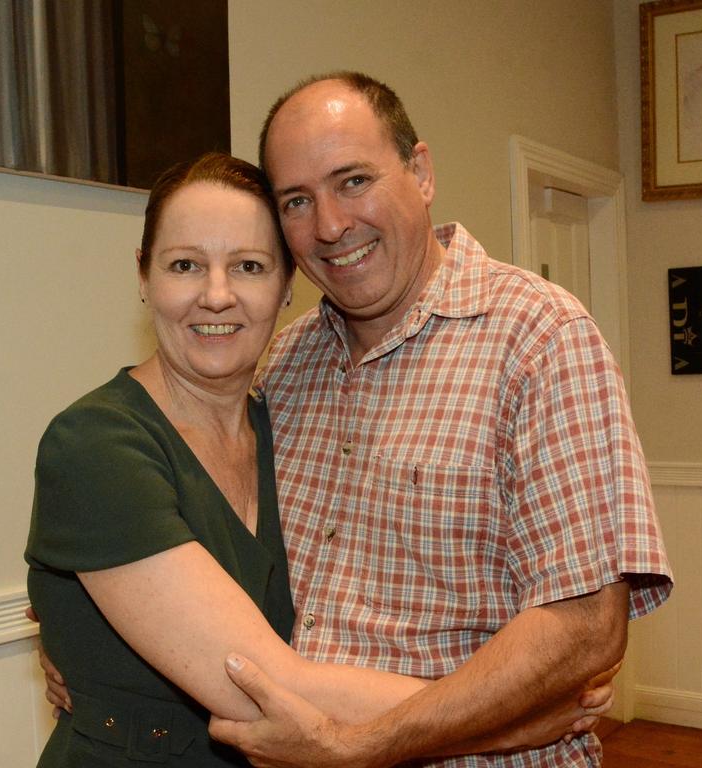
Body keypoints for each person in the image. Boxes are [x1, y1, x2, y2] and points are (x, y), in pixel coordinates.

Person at [27, 151, 607, 768]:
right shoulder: (96, 443)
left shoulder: (290, 423)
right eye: (185, 265)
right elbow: (261, 683)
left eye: (249, 266)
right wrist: (511, 720)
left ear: (285, 288)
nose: (216, 296)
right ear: (144, 277)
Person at [204, 72, 673, 768]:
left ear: (420, 173)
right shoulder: (284, 362)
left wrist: (358, 746)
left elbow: (584, 628)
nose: (330, 225)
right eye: (298, 200)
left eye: (354, 180)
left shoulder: (539, 337)